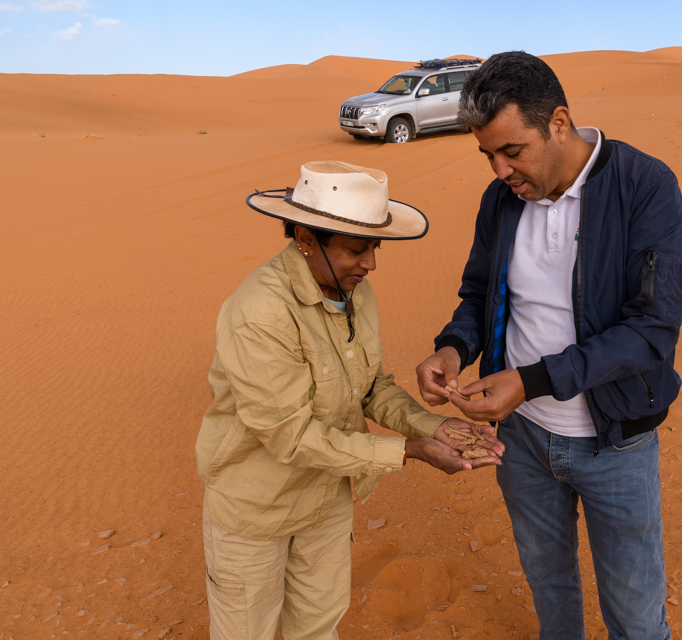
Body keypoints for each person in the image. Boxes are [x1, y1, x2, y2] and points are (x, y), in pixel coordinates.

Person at [416, 52, 682, 640]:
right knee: (550, 590)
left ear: (558, 123)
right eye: (487, 155)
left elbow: (652, 329)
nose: (500, 170)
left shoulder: (645, 186)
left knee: (636, 617)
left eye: (512, 151)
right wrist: (454, 348)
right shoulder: (501, 200)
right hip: (521, 441)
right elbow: (479, 294)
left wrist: (530, 380)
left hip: (615, 443)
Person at [196, 161, 504, 640]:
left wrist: (432, 426)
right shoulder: (260, 312)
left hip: (326, 499)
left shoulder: (355, 294)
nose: (370, 264)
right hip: (256, 512)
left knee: (317, 628)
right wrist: (410, 451)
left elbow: (369, 386)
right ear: (305, 238)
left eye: (375, 248)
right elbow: (291, 437)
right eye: (356, 250)